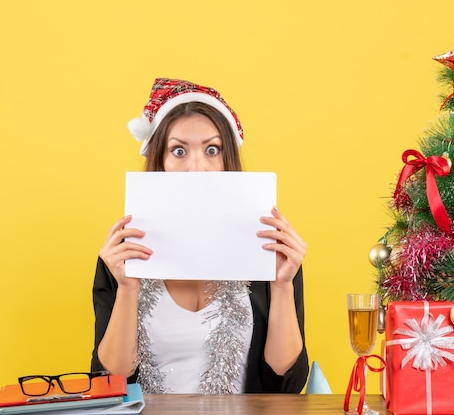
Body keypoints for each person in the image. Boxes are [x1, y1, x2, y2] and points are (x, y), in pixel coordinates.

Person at [90, 78, 309, 394]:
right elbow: (110, 382)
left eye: (212, 149)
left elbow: (286, 383)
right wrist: (126, 288)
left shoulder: (268, 251)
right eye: (178, 150)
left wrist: (283, 285)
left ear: (227, 160)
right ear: (160, 162)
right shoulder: (124, 256)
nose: (197, 167)